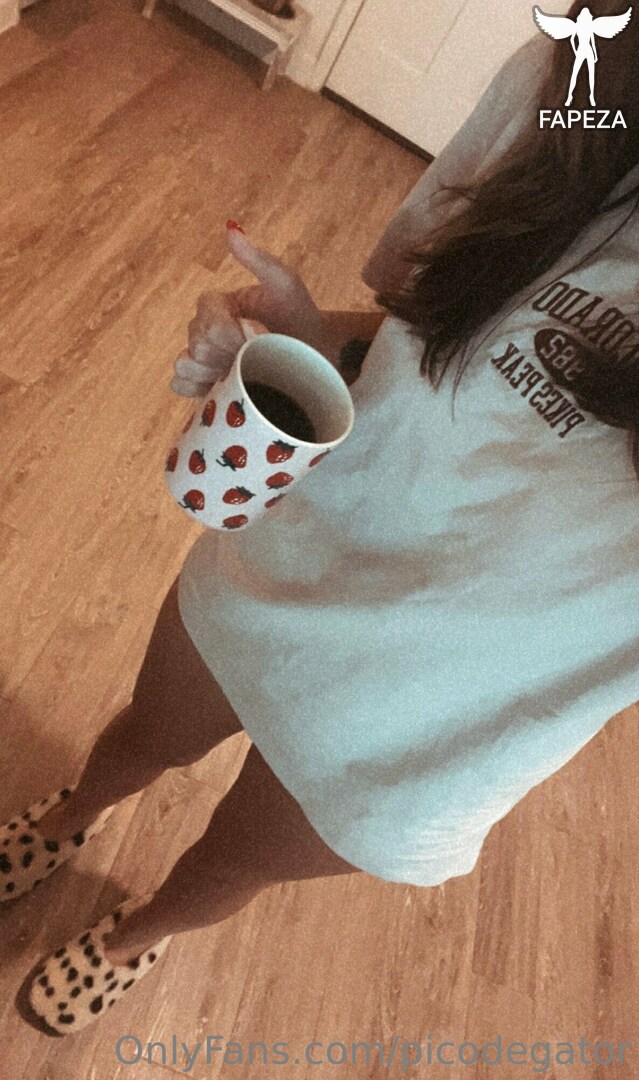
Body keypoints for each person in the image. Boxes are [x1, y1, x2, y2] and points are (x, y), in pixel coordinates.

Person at [5, 0, 638, 1035]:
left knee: (230, 864)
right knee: (145, 734)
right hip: (297, 559)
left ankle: (132, 936)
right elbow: (418, 335)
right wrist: (303, 340)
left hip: (442, 723)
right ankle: (74, 814)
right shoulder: (574, 83)